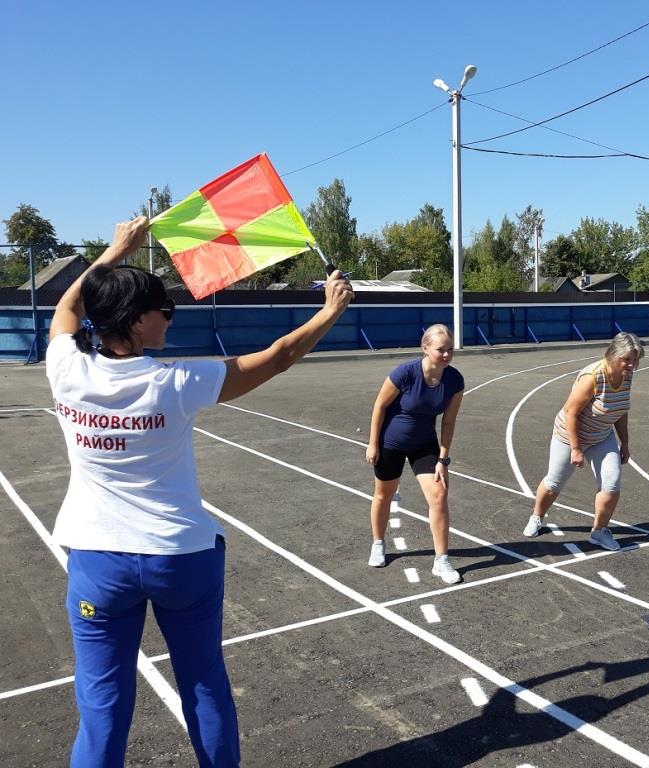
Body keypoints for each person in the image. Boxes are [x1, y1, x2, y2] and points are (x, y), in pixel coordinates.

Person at [45, 216, 353, 767]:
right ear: (137, 323)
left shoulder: (66, 369)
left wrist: (115, 253)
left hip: (97, 561)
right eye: (164, 309)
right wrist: (329, 312)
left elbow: (69, 310)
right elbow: (277, 357)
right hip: (180, 557)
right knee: (204, 685)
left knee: (102, 705)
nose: (170, 316)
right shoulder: (178, 382)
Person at [522, 332, 645, 551]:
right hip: (569, 435)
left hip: (601, 436)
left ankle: (599, 532)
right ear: (613, 354)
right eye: (627, 360)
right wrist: (576, 449)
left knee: (611, 483)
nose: (631, 365)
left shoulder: (627, 375)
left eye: (635, 360)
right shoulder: (593, 376)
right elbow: (571, 413)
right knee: (554, 483)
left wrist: (624, 443)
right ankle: (537, 516)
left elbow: (620, 410)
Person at [365, 324, 465, 584]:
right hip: (391, 443)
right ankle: (378, 542)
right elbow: (379, 406)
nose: (446, 355)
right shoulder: (405, 373)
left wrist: (443, 458)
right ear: (425, 348)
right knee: (383, 495)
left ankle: (441, 560)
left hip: (424, 444)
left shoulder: (455, 380)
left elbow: (449, 422)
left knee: (439, 495)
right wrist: (373, 443)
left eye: (450, 350)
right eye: (441, 349)